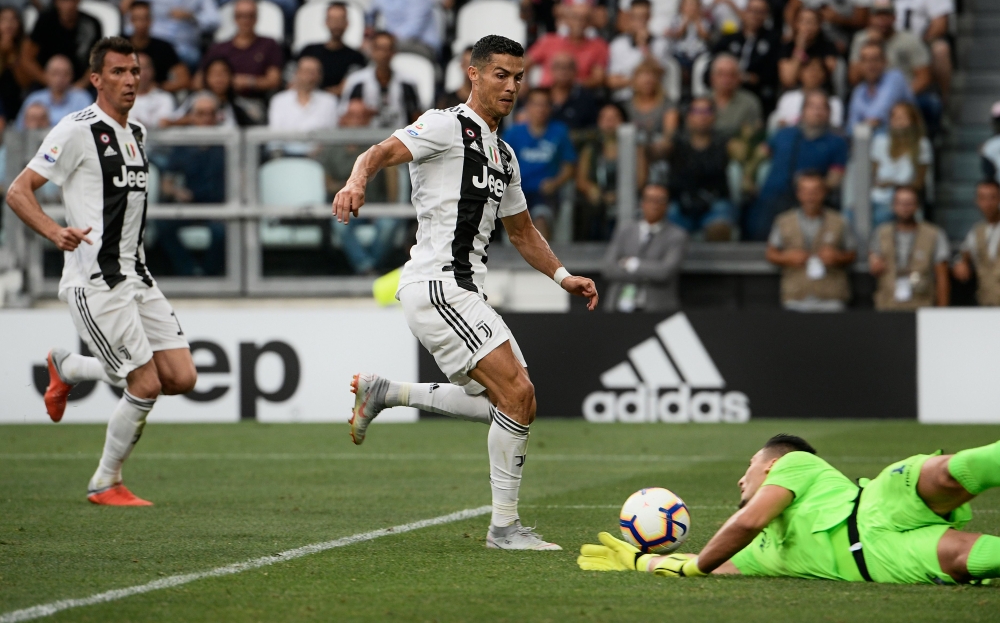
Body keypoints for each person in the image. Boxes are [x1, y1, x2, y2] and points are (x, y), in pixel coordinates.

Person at [333, 34, 599, 551]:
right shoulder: (443, 124)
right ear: (473, 73)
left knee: (507, 403)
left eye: (518, 77)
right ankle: (503, 529)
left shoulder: (503, 153)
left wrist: (564, 276)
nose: (511, 85)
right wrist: (356, 181)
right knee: (517, 395)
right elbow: (379, 150)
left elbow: (522, 232)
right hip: (437, 285)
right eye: (500, 73)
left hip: (466, 289)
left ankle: (386, 392)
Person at [4, 36, 197, 505]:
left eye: (134, 71)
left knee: (181, 377)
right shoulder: (75, 129)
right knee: (145, 382)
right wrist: (54, 231)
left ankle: (67, 367)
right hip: (96, 282)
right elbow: (18, 190)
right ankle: (105, 481)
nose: (130, 80)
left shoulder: (139, 133)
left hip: (138, 277)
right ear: (96, 79)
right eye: (118, 72)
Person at [578, 433, 1000, 586]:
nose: (741, 480)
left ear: (772, 464)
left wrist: (691, 569)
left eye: (750, 468)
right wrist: (641, 562)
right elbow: (712, 562)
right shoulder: (754, 555)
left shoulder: (799, 463)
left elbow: (747, 521)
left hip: (879, 502)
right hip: (877, 563)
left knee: (947, 475)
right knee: (966, 559)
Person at [749, 91, 848, 241]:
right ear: (802, 111)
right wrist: (748, 177)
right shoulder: (784, 134)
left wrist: (814, 189)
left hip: (806, 200)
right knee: (758, 231)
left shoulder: (836, 142)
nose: (817, 111)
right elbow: (758, 156)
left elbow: (835, 178)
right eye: (812, 106)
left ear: (829, 113)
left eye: (822, 108)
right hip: (772, 196)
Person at [322, 99, 401, 274]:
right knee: (339, 224)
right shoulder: (332, 147)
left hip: (377, 207)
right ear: (343, 119)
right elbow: (327, 184)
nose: (357, 121)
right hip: (346, 207)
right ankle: (368, 270)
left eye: (362, 116)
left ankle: (366, 268)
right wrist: (353, 184)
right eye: (352, 116)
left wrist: (390, 206)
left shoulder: (377, 145)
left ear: (368, 120)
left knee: (389, 224)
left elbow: (392, 176)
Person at [157, 91, 227, 276]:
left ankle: (209, 275)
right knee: (162, 226)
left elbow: (241, 179)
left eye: (210, 113)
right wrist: (176, 192)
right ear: (192, 116)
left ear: (217, 116)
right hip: (189, 204)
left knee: (222, 232)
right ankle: (189, 272)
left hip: (220, 208)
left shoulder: (228, 144)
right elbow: (167, 182)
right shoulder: (183, 144)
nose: (206, 118)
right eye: (200, 113)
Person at [766, 172, 856, 311]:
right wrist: (786, 257)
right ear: (798, 194)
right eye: (806, 191)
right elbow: (770, 253)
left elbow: (852, 254)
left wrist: (837, 257)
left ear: (824, 193)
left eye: (815, 191)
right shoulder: (783, 221)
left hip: (831, 296)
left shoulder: (839, 221)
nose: (810, 196)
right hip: (796, 295)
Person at [848, 0, 938, 135]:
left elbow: (924, 76)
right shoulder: (861, 40)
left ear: (894, 17)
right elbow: (854, 78)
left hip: (906, 94)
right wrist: (873, 41)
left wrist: (903, 94)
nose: (882, 21)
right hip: (872, 89)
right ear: (871, 19)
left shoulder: (909, 41)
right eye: (878, 16)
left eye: (886, 16)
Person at [871, 0, 953, 102]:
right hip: (887, 37)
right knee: (866, 46)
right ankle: (870, 98)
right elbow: (872, 16)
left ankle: (944, 100)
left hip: (920, 40)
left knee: (941, 49)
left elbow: (941, 23)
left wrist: (920, 42)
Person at [601, 182, 687, 313]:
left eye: (660, 200)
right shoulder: (625, 230)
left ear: (667, 205)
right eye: (650, 199)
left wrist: (633, 265)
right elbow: (608, 268)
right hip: (618, 307)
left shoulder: (677, 236)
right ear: (642, 203)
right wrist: (649, 273)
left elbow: (665, 272)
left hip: (657, 311)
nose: (655, 205)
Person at [503, 89, 577, 240]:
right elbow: (500, 163)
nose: (540, 109)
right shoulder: (514, 133)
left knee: (540, 219)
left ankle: (542, 262)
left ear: (550, 108)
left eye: (544, 105)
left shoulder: (559, 132)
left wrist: (556, 182)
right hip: (517, 192)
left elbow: (569, 166)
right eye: (536, 104)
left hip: (546, 192)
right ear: (528, 107)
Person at [195, 0, 283, 119]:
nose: (245, 20)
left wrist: (249, 82)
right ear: (234, 19)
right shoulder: (219, 48)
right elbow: (198, 81)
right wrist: (221, 83)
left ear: (256, 18)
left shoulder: (268, 45)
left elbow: (274, 80)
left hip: (252, 102)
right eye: (240, 16)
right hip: (218, 102)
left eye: (250, 16)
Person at [664, 98, 734, 241]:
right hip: (681, 203)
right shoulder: (675, 144)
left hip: (715, 202)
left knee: (719, 226)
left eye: (706, 111)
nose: (702, 115)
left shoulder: (725, 143)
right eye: (697, 111)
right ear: (688, 116)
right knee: (667, 224)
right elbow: (655, 152)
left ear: (714, 116)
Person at [131, 0, 221, 68]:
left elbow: (215, 20)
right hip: (154, 44)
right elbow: (134, 9)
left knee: (194, 58)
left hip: (184, 48)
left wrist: (192, 16)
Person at [868, 185, 949, 309]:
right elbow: (874, 262)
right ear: (893, 206)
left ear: (917, 206)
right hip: (888, 304)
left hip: (922, 305)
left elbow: (942, 275)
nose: (904, 208)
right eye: (900, 203)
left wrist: (942, 310)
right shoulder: (881, 233)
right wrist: (874, 263)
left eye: (909, 203)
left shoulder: (933, 234)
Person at [575, 103, 646, 241]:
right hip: (598, 200)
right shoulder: (590, 149)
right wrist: (591, 189)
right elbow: (581, 180)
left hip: (628, 199)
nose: (609, 122)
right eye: (605, 117)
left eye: (614, 117)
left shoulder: (636, 149)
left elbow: (641, 179)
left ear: (624, 121)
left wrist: (620, 195)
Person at [23, 0, 103, 86]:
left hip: (82, 84)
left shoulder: (92, 24)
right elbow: (27, 58)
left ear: (79, 0)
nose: (69, 5)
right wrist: (48, 81)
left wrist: (81, 85)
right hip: (46, 83)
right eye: (64, 0)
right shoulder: (44, 21)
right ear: (56, 2)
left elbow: (98, 60)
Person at [712, 0, 780, 115]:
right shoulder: (730, 38)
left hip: (756, 91)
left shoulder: (773, 41)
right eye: (751, 10)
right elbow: (712, 63)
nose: (754, 15)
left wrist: (747, 78)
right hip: (725, 88)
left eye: (760, 12)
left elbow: (771, 73)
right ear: (744, 12)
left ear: (766, 15)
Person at [340, 31, 422, 129]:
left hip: (399, 138)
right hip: (365, 139)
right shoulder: (357, 81)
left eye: (388, 49)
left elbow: (417, 116)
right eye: (379, 49)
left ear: (394, 52)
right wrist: (362, 115)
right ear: (372, 51)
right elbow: (343, 117)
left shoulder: (408, 82)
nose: (384, 54)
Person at [869, 101, 932, 226]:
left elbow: (919, 182)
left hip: (904, 197)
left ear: (913, 120)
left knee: (882, 216)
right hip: (877, 196)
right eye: (894, 116)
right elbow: (874, 175)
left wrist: (892, 184)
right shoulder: (880, 141)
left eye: (903, 116)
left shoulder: (922, 145)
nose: (898, 120)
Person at [526, 3, 609, 90]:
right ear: (566, 20)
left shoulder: (598, 46)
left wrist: (568, 86)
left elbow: (598, 78)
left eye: (584, 18)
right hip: (546, 95)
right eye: (575, 17)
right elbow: (524, 64)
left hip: (578, 97)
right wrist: (525, 85)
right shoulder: (549, 41)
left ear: (589, 22)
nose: (579, 22)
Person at [267, 56, 338, 155]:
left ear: (320, 76)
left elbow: (332, 135)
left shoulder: (329, 101)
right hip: (285, 156)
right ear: (297, 73)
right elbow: (274, 137)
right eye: (306, 71)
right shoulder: (279, 100)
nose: (309, 76)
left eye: (313, 72)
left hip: (319, 156)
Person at [607, 0, 671, 102]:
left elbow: (659, 74)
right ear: (630, 18)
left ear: (650, 17)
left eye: (644, 17)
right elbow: (612, 81)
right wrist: (640, 83)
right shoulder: (618, 44)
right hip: (624, 99)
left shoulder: (661, 43)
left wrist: (644, 47)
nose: (640, 21)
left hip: (653, 100)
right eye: (636, 17)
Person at [297, 2, 367, 97]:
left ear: (347, 23)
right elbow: (292, 82)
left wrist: (316, 96)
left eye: (340, 19)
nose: (336, 24)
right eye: (333, 19)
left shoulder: (356, 57)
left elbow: (347, 89)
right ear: (326, 22)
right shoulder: (308, 51)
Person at [847, 41, 914, 133]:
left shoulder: (895, 78)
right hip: (869, 139)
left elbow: (878, 114)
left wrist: (862, 126)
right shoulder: (859, 90)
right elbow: (851, 126)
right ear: (860, 65)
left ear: (885, 62)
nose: (870, 64)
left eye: (875, 59)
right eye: (865, 60)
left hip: (903, 136)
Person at [167, 56, 254, 127]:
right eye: (214, 74)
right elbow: (172, 121)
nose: (219, 78)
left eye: (223, 73)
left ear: (231, 77)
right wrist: (191, 119)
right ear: (206, 78)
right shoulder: (194, 100)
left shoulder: (239, 106)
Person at [127, 0, 191, 93]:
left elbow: (184, 80)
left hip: (156, 97)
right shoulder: (118, 45)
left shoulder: (164, 47)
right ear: (131, 20)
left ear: (151, 20)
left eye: (145, 18)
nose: (141, 23)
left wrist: (159, 87)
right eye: (137, 18)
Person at [15, 55, 94, 130]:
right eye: (55, 73)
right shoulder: (34, 98)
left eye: (65, 74)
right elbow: (19, 129)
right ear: (46, 75)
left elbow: (89, 129)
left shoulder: (82, 98)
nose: (60, 78)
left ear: (72, 76)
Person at [954, 179, 1000, 306]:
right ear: (977, 201)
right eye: (982, 198)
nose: (988, 203)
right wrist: (961, 262)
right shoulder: (976, 231)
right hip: (986, 300)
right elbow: (964, 254)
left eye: (993, 197)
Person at [770, 57, 844, 131]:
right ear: (800, 74)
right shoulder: (787, 98)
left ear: (824, 75)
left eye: (818, 70)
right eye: (809, 70)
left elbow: (835, 130)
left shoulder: (834, 102)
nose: (813, 74)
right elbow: (780, 125)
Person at [778, 7, 839, 91]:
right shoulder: (787, 47)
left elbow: (828, 74)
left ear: (819, 25)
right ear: (795, 24)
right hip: (794, 91)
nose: (807, 26)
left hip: (821, 90)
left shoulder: (827, 46)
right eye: (803, 21)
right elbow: (788, 80)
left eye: (812, 22)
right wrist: (800, 48)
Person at [709, 54, 762, 146]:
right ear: (712, 78)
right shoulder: (702, 102)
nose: (726, 79)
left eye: (732, 75)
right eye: (721, 74)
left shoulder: (750, 102)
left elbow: (752, 135)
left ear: (739, 78)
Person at [625, 59, 676, 148]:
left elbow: (669, 135)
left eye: (651, 77)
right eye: (643, 78)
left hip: (658, 150)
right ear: (634, 81)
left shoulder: (667, 104)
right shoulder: (626, 105)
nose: (648, 81)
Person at [548, 53, 601, 132]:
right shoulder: (542, 96)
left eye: (568, 67)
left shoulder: (586, 98)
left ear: (575, 71)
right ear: (552, 70)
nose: (563, 72)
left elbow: (592, 127)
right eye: (559, 67)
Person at [130, 52, 176, 128]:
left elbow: (163, 123)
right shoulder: (120, 99)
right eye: (138, 68)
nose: (142, 72)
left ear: (152, 70)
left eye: (146, 68)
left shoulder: (165, 98)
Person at [0, 7, 31, 122]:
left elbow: (25, 83)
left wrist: (12, 55)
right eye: (4, 20)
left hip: (19, 96)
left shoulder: (26, 46)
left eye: (13, 20)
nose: (9, 24)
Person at [667, 0, 710, 70]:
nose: (691, 8)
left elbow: (705, 36)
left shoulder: (703, 21)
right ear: (681, 7)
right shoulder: (677, 20)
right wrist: (685, 22)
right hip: (681, 54)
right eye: (688, 5)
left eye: (694, 5)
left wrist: (697, 22)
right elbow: (677, 35)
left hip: (699, 53)